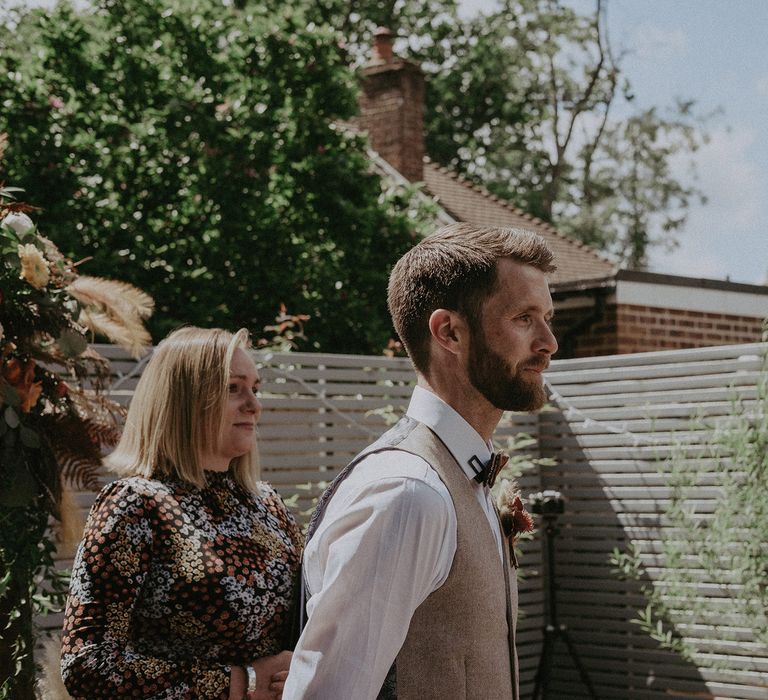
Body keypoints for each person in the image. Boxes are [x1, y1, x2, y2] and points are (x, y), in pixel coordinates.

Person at [283, 223, 559, 700]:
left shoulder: (463, 475)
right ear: (449, 332)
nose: (549, 342)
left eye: (547, 318)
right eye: (523, 318)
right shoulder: (407, 494)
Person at [61, 327, 301, 700]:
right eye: (233, 388)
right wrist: (241, 682)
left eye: (256, 388)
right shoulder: (135, 505)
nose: (254, 405)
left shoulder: (268, 504)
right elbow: (87, 665)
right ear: (185, 398)